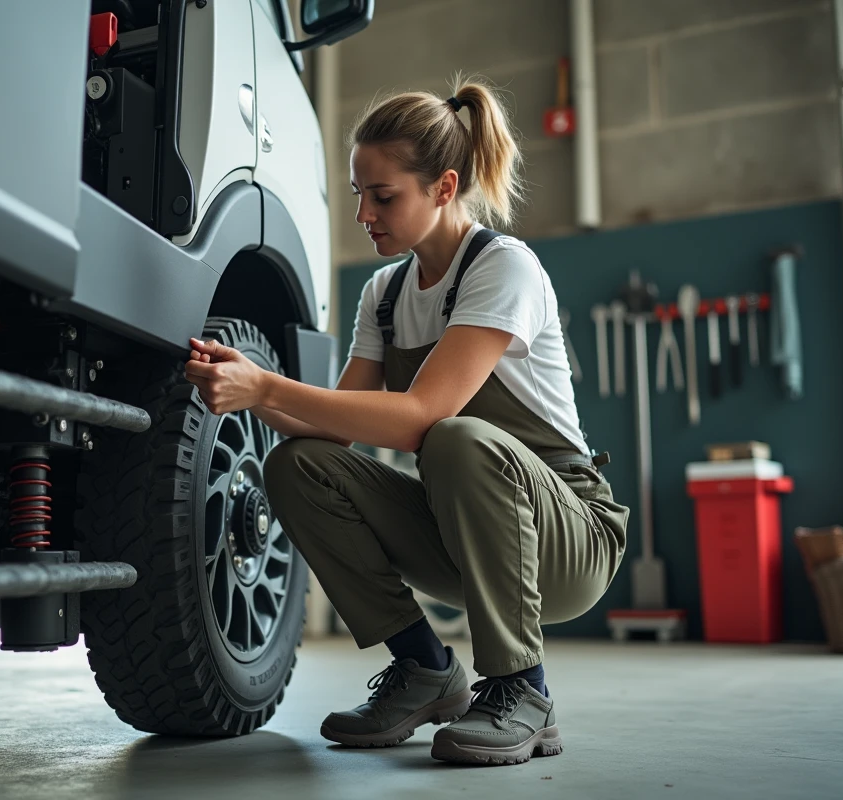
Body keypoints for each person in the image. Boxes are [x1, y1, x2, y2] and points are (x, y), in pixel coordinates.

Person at [182, 78, 629, 766]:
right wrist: (245, 387)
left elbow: (423, 417)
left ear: (445, 188)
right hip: (464, 531)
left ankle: (524, 690)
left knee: (454, 437)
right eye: (359, 192)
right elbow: (335, 434)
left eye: (383, 195)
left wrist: (267, 384)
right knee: (297, 465)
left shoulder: (502, 268)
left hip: (566, 538)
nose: (364, 213)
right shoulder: (385, 295)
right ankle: (424, 669)